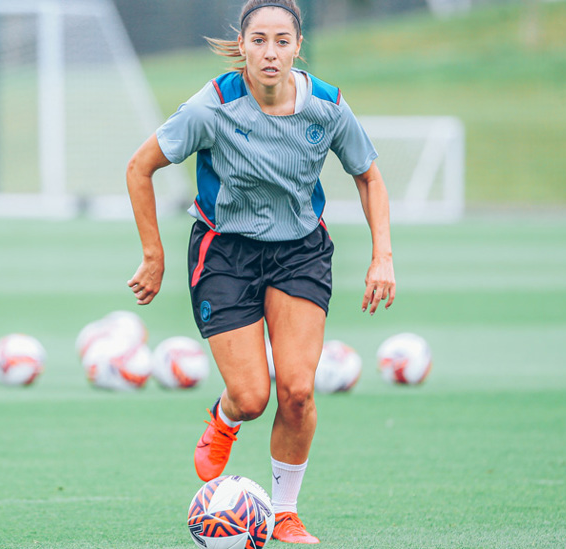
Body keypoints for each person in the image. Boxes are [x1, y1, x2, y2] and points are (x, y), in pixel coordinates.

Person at [125, 0, 394, 543]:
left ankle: (284, 513)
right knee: (252, 397)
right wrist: (153, 257)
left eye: (281, 41)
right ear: (242, 45)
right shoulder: (211, 107)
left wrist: (382, 256)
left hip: (300, 251)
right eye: (258, 41)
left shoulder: (327, 106)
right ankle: (224, 416)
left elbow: (368, 176)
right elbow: (140, 167)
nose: (270, 52)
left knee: (297, 391)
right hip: (226, 253)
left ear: (298, 46)